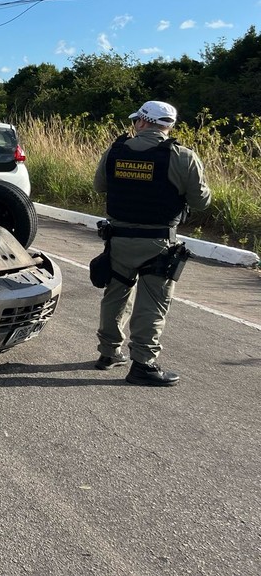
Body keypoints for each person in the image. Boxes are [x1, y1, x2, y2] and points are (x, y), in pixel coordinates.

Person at [93, 100, 211, 387]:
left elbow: (100, 186)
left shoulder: (116, 150)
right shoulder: (183, 157)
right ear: (167, 126)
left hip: (118, 239)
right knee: (153, 303)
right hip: (157, 242)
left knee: (116, 294)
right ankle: (143, 365)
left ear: (143, 122)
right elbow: (201, 201)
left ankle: (109, 353)